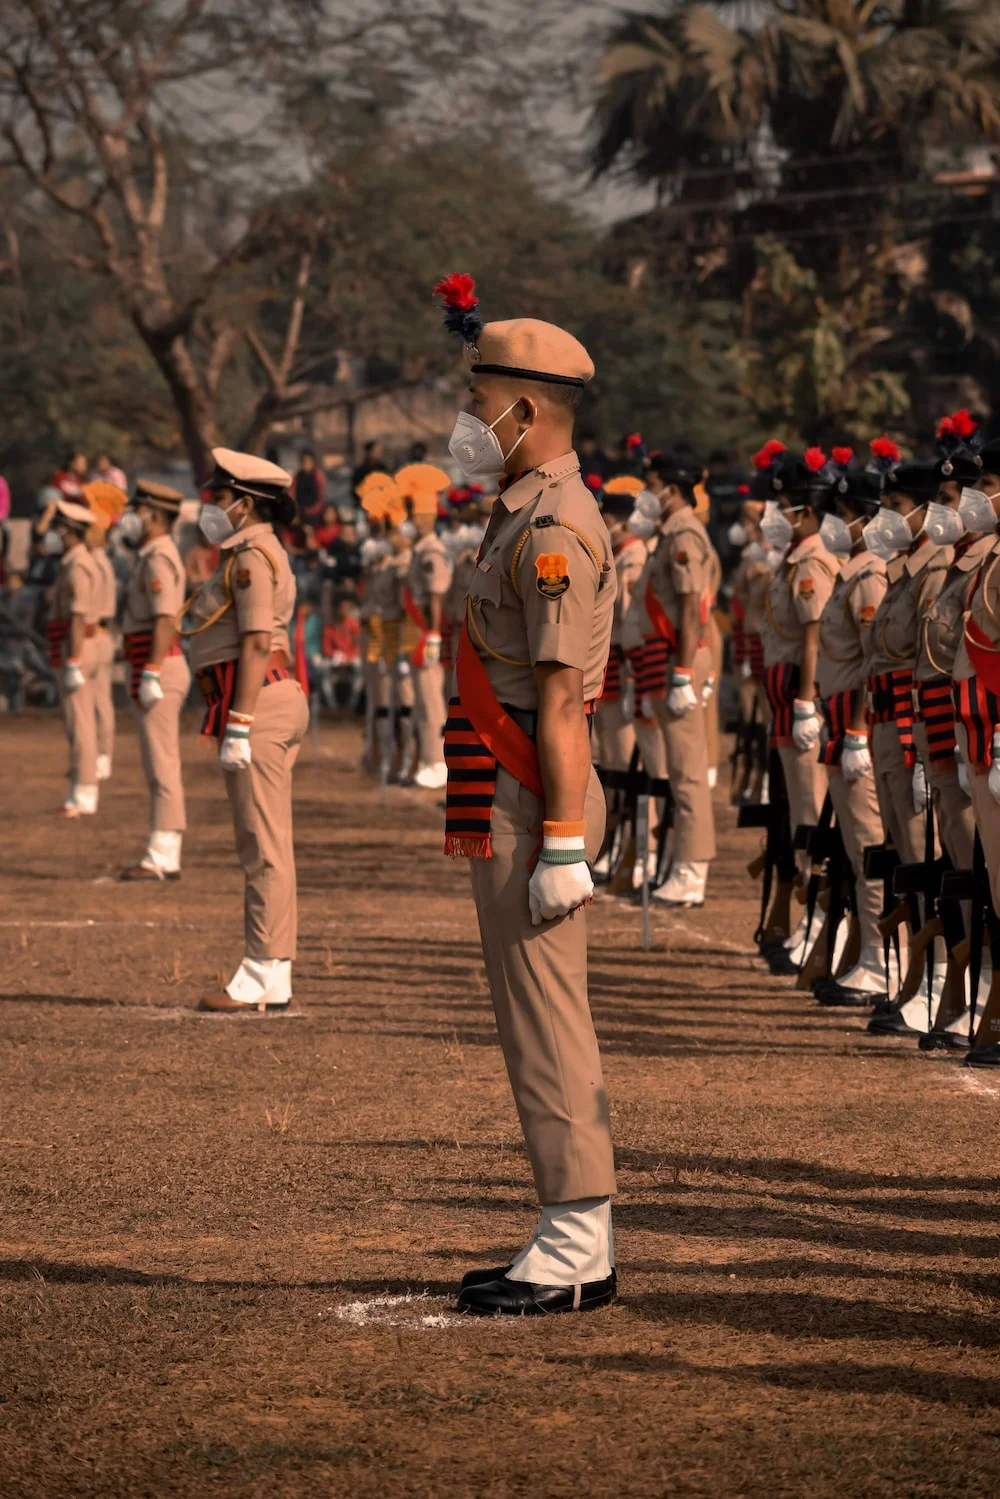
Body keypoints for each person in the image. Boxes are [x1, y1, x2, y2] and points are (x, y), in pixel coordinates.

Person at [434, 271, 617, 1316]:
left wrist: (561, 841)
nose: (470, 421)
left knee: (547, 1019)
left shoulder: (551, 526)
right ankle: (567, 1226)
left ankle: (577, 1237)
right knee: (530, 1015)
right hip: (514, 789)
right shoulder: (521, 513)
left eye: (480, 401)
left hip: (531, 792)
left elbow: (557, 698)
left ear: (527, 409)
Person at [180, 448, 309, 1012]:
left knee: (262, 844)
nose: (212, 504)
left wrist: (239, 722)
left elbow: (256, 642)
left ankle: (262, 965)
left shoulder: (253, 557)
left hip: (256, 702)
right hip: (260, 699)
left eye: (221, 496)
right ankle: (273, 971)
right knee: (266, 840)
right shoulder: (246, 553)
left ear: (247, 504)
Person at [812, 454, 889, 1005]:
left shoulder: (869, 577)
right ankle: (869, 955)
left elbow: (871, 662)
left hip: (857, 723)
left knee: (868, 845)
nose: (835, 523)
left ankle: (880, 961)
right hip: (839, 718)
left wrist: (858, 733)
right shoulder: (851, 571)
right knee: (853, 845)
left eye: (842, 513)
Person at [639, 451, 718, 908]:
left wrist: (685, 674)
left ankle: (692, 870)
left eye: (652, 485)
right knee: (677, 771)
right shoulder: (669, 534)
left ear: (673, 489)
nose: (647, 494)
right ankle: (681, 862)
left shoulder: (685, 534)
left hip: (680, 658)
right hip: (668, 658)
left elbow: (690, 610)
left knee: (688, 773)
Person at [117, 479, 191, 881]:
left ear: (154, 515)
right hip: (150, 662)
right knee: (157, 761)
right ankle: (165, 850)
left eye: (137, 509)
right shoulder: (149, 555)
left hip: (159, 665)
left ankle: (163, 851)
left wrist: (152, 671)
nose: (131, 516)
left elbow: (165, 618)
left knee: (162, 762)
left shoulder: (159, 556)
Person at [46, 495, 102, 816]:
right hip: (75, 645)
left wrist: (73, 662)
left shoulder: (78, 565)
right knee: (79, 721)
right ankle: (80, 787)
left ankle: (84, 790)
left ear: (69, 531)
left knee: (79, 722)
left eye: (58, 528)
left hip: (78, 647)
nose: (53, 535)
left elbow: (78, 617)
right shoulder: (72, 562)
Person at [398, 464, 453, 789]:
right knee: (421, 700)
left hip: (426, 630)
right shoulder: (418, 551)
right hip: (415, 628)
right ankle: (427, 759)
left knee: (432, 701)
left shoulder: (431, 551)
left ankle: (436, 761)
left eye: (412, 514)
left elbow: (435, 597)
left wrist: (433, 634)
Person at [83, 498, 120, 784]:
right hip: (102, 633)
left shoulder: (94, 562)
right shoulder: (102, 561)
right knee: (100, 701)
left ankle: (99, 757)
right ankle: (99, 756)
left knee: (94, 703)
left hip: (94, 633)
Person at [292, 450, 327, 525]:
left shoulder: (319, 476)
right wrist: (296, 511)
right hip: (301, 513)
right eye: (304, 461)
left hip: (316, 514)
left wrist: (313, 510)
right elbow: (292, 495)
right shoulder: (297, 477)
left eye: (309, 461)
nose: (306, 463)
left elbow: (322, 495)